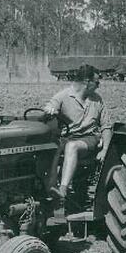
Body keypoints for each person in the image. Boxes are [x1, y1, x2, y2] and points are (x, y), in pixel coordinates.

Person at [43, 64, 112, 199]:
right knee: (52, 150)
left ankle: (63, 189)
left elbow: (106, 127)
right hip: (66, 137)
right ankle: (49, 190)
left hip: (89, 138)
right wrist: (50, 110)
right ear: (87, 82)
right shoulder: (63, 96)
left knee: (72, 146)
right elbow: (50, 107)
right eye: (97, 82)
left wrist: (105, 151)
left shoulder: (97, 100)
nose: (99, 85)